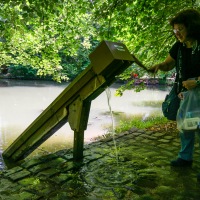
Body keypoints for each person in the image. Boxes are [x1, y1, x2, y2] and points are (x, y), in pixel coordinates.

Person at [133, 8, 200, 179]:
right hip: (185, 93)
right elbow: (168, 64)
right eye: (175, 30)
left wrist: (197, 82)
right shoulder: (178, 46)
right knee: (186, 126)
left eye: (181, 29)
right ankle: (185, 158)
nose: (177, 33)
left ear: (192, 26)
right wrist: (159, 66)